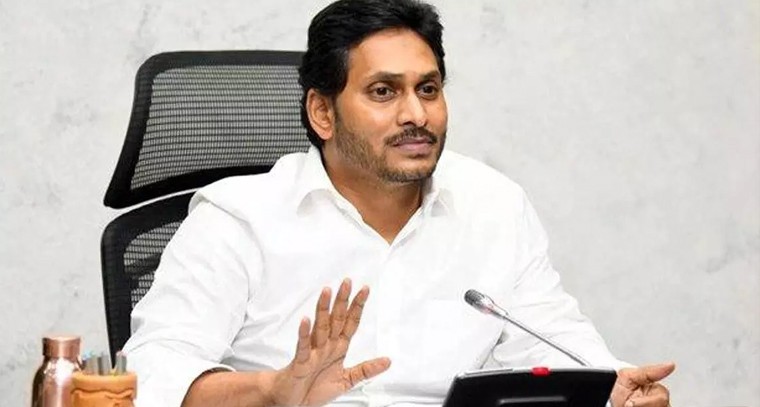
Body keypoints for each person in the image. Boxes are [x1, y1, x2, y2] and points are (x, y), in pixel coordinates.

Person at [122, 0, 675, 406]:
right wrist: (272, 392)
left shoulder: (494, 205)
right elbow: (151, 376)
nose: (416, 114)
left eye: (428, 89)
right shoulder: (239, 219)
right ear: (322, 113)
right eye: (383, 92)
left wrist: (614, 386)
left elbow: (554, 340)